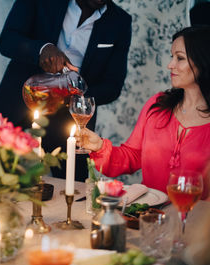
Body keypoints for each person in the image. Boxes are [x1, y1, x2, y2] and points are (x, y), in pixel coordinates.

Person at [0, 0, 132, 181]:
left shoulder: (120, 21)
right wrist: (42, 49)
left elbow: (113, 86)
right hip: (19, 97)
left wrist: (71, 96)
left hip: (70, 116)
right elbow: (7, 41)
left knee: (73, 187)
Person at [77, 26, 210, 198]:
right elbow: (132, 156)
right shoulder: (158, 105)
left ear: (203, 61)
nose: (170, 65)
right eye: (172, 57)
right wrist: (100, 147)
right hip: (149, 216)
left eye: (180, 58)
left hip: (194, 221)